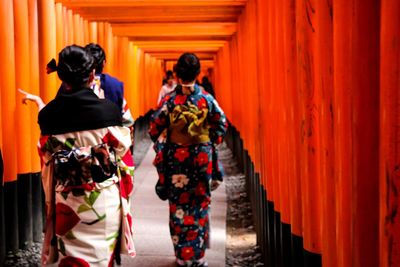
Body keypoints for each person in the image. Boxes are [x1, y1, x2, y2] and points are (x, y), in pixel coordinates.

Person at [37, 45, 135, 266]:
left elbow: (44, 153)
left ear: (60, 76)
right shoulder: (109, 110)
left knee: (70, 260)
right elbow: (122, 147)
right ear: (92, 75)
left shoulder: (48, 116)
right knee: (102, 259)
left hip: (68, 202)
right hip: (103, 200)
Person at [149, 53, 228, 267]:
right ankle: (199, 256)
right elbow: (221, 123)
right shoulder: (206, 99)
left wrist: (165, 143)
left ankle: (182, 255)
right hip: (201, 156)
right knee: (201, 203)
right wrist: (209, 142)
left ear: (176, 73)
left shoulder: (170, 100)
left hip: (177, 158)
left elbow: (154, 127)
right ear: (198, 72)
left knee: (178, 206)